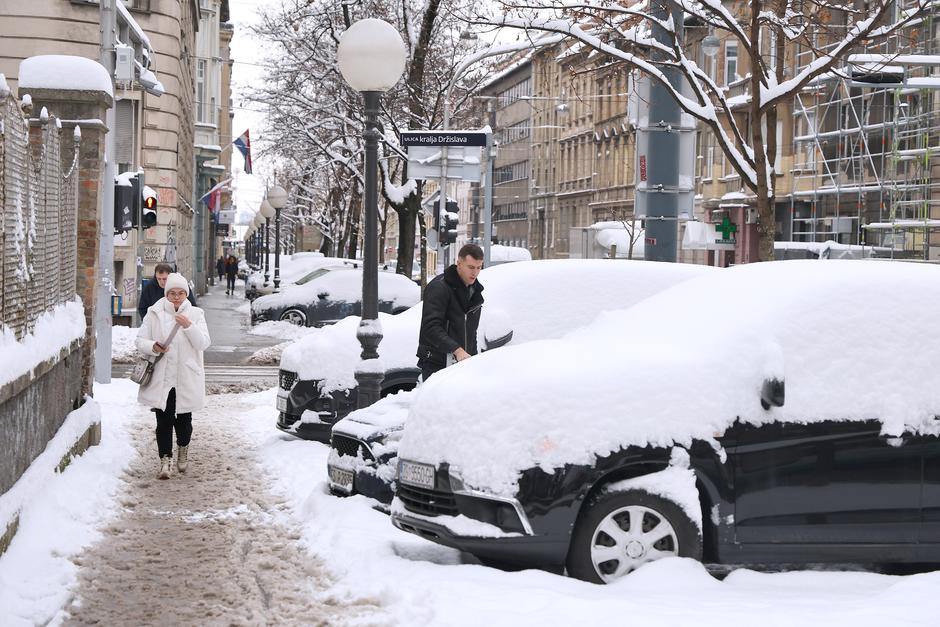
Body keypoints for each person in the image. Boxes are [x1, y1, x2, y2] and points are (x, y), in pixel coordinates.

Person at [136, 273, 211, 479]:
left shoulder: (196, 314)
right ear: (166, 293)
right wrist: (153, 346)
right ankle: (165, 460)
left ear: (186, 294)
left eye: (180, 293)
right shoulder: (155, 313)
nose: (176, 297)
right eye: (172, 293)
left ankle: (183, 448)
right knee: (163, 421)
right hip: (163, 377)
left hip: (186, 376)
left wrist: (188, 325)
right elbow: (140, 340)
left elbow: (203, 343)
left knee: (184, 422)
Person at [416, 243, 484, 381]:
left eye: (479, 267)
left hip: (463, 364)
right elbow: (430, 327)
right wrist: (456, 349)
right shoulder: (439, 287)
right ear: (459, 264)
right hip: (436, 363)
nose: (475, 273)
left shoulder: (475, 292)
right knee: (437, 403)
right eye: (471, 267)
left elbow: (471, 332)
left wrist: (474, 358)